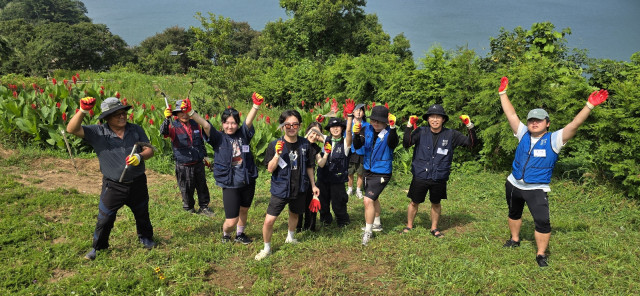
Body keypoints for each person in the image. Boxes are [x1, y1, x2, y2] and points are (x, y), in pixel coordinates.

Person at [498, 76, 608, 267]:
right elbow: (511, 115)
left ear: (547, 123)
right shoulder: (522, 133)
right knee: (514, 213)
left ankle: (541, 254)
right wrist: (502, 93)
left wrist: (589, 106)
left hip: (537, 189)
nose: (534, 123)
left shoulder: (555, 139)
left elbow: (574, 124)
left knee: (542, 221)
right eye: (531, 120)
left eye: (539, 120)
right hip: (514, 184)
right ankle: (514, 240)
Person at [66, 97, 156, 260]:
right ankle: (98, 247)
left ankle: (146, 237)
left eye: (123, 113)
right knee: (105, 217)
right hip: (114, 185)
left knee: (142, 212)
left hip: (137, 182)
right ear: (107, 117)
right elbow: (72, 129)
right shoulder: (97, 132)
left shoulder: (135, 129)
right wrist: (83, 110)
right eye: (116, 115)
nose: (122, 117)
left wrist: (140, 157)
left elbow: (149, 149)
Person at [186, 94, 261, 244]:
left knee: (244, 210)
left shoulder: (243, 134)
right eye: (226, 123)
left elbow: (249, 121)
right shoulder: (218, 137)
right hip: (230, 181)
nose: (230, 126)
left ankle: (240, 234)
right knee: (231, 220)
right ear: (222, 124)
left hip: (247, 178)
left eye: (233, 123)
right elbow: (206, 125)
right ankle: (226, 234)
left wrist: (256, 106)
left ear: (237, 124)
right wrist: (190, 113)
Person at [402, 104, 477, 237]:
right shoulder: (420, 131)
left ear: (443, 119)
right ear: (428, 119)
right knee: (414, 202)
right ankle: (409, 225)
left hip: (439, 175)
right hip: (421, 174)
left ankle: (434, 228)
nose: (435, 120)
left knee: (436, 203)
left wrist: (469, 126)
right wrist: (409, 126)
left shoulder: (451, 134)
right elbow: (406, 144)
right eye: (432, 117)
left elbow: (471, 143)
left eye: (438, 117)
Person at [255, 110, 321, 260]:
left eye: (295, 124)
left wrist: (313, 185)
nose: (291, 127)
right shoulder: (274, 145)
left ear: (299, 126)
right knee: (269, 220)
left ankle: (290, 237)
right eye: (288, 124)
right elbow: (270, 169)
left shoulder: (305, 144)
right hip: (281, 188)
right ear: (282, 126)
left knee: (294, 213)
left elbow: (310, 166)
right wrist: (277, 155)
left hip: (300, 186)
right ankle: (267, 248)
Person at [352, 105, 398, 245]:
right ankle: (377, 224)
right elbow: (358, 146)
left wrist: (393, 128)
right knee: (373, 197)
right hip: (368, 169)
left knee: (367, 200)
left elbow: (393, 143)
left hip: (382, 171)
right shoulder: (367, 130)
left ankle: (368, 232)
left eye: (379, 121)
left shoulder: (390, 132)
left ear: (385, 121)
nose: (375, 123)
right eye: (373, 120)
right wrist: (356, 134)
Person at [159, 100, 213, 216]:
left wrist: (205, 156)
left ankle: (204, 207)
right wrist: (166, 119)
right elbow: (163, 131)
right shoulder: (172, 125)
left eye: (186, 112)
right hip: (184, 164)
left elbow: (201, 142)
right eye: (181, 113)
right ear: (176, 114)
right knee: (186, 187)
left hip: (198, 162)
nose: (184, 115)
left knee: (202, 186)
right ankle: (189, 208)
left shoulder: (196, 124)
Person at [317, 100, 355, 227]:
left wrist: (349, 117)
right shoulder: (325, 140)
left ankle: (343, 221)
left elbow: (349, 132)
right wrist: (318, 122)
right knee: (323, 201)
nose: (335, 128)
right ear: (329, 129)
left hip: (337, 179)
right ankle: (325, 221)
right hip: (323, 178)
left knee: (338, 203)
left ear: (342, 128)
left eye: (338, 126)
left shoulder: (345, 143)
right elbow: (313, 133)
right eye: (333, 127)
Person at [296, 121, 325, 232]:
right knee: (298, 204)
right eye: (312, 132)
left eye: (317, 134)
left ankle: (310, 227)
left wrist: (326, 153)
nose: (314, 136)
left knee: (311, 202)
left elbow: (321, 163)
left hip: (309, 180)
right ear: (307, 131)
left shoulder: (316, 148)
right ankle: (297, 226)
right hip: (297, 178)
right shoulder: (298, 143)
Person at [347, 103, 369, 199]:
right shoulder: (349, 123)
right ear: (353, 112)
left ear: (364, 113)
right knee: (350, 171)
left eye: (361, 110)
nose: (359, 112)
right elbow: (345, 136)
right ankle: (350, 188)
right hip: (351, 151)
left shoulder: (367, 125)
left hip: (362, 151)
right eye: (357, 110)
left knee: (360, 172)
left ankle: (358, 190)